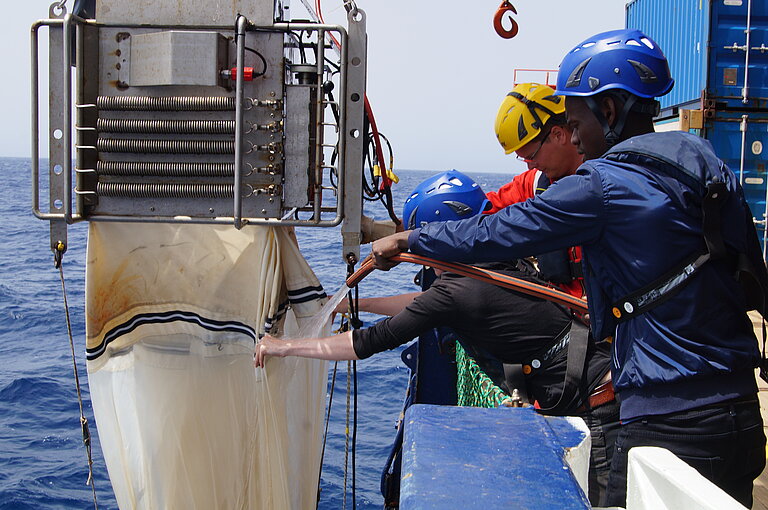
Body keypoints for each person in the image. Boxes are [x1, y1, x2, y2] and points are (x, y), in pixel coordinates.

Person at [370, 29, 767, 508]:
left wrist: (410, 238)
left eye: (575, 120)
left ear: (610, 111)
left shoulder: (601, 185)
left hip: (667, 423)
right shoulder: (706, 162)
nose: (573, 135)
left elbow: (494, 232)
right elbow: (752, 277)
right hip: (741, 414)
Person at [256, 170, 619, 504]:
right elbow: (421, 303)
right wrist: (354, 306)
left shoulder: (455, 292)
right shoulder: (492, 265)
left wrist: (285, 347)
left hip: (596, 408)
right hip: (606, 382)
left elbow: (365, 343)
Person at [486, 82, 587, 298]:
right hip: (562, 310)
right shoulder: (536, 184)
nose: (530, 165)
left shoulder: (607, 182)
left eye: (531, 156)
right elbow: (480, 209)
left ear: (559, 135)